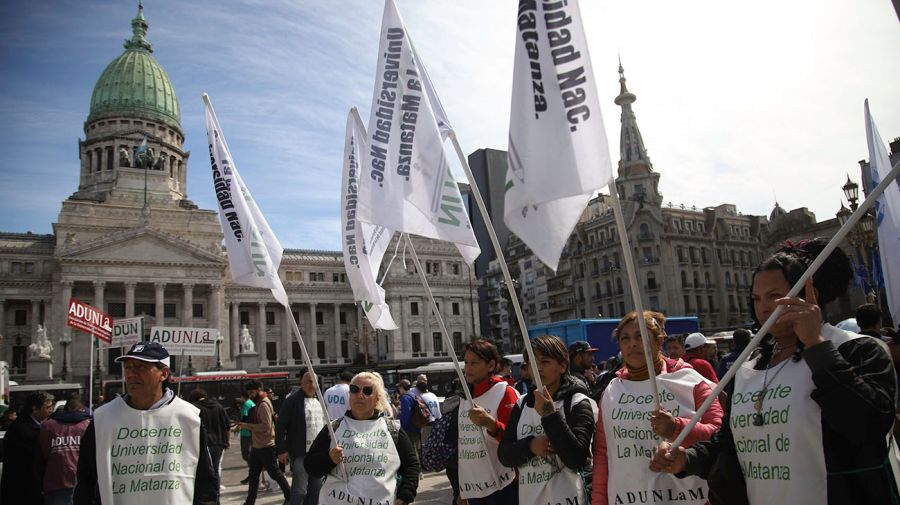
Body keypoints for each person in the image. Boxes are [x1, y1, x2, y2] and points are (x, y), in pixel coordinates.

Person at [650, 239, 899, 504]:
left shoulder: (857, 349)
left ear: (806, 292)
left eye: (774, 296)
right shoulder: (749, 366)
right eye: (757, 299)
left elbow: (867, 426)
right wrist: (686, 459)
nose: (764, 308)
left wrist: (815, 345)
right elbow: (728, 442)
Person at [593, 311, 723, 505]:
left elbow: (719, 436)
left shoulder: (691, 381)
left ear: (658, 341)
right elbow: (603, 454)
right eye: (625, 338)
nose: (632, 344)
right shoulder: (611, 391)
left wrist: (676, 428)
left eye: (641, 336)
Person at [73, 341, 218, 505]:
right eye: (128, 367)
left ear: (163, 374)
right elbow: (86, 480)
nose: (131, 374)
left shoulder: (188, 417)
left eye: (141, 367)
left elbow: (206, 482)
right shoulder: (103, 419)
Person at [499, 335, 597, 505]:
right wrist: (530, 446)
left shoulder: (578, 402)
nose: (538, 369)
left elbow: (576, 458)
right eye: (532, 363)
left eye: (545, 362)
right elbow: (504, 455)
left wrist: (550, 415)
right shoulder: (522, 404)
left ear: (562, 366)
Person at [305, 371, 420, 505]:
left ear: (377, 397)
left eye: (367, 391)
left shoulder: (392, 429)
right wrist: (329, 459)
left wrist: (404, 497)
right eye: (355, 390)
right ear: (349, 395)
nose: (360, 395)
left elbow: (411, 465)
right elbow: (310, 466)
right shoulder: (333, 429)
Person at [452, 339, 519, 504]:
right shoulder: (464, 397)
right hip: (475, 488)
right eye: (466, 362)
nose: (467, 368)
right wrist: (463, 489)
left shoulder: (506, 392)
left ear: (490, 366)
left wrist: (491, 424)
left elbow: (516, 440)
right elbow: (464, 447)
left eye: (474, 363)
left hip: (504, 484)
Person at [276, 371, 327, 505]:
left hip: (318, 454)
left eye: (314, 382)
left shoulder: (320, 400)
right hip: (300, 454)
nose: (312, 385)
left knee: (316, 489)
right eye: (308, 381)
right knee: (299, 490)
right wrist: (281, 449)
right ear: (301, 383)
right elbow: (280, 425)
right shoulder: (292, 401)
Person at [239, 380, 291, 505]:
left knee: (275, 474)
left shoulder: (263, 404)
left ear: (258, 390)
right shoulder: (259, 402)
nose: (250, 395)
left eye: (252, 392)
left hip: (266, 446)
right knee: (253, 475)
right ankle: (249, 502)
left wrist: (248, 426)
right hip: (258, 446)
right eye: (249, 393)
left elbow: (266, 427)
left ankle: (290, 496)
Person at [1, 390, 54, 504]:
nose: (51, 410)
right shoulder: (23, 430)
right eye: (47, 407)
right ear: (35, 408)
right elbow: (32, 464)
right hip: (24, 491)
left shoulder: (33, 426)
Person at [37, 395, 91, 505]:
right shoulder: (87, 425)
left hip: (55, 479)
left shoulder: (47, 425)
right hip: (80, 478)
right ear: (81, 409)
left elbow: (45, 452)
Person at [189, 388, 231, 482]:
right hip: (219, 443)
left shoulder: (194, 408)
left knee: (203, 470)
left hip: (203, 444)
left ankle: (206, 493)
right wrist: (228, 441)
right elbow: (227, 426)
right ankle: (216, 493)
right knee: (215, 469)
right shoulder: (218, 406)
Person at [397, 379, 422, 460]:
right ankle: (418, 469)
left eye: (399, 387)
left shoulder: (405, 398)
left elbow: (406, 414)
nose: (399, 390)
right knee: (415, 449)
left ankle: (417, 471)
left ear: (402, 387)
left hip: (409, 429)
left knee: (411, 450)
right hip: (416, 426)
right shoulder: (413, 395)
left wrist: (402, 427)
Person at [416, 378, 442, 452]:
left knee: (427, 447)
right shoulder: (432, 395)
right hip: (438, 422)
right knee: (436, 445)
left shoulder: (420, 397)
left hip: (428, 424)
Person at [237, 391, 256, 485]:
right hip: (251, 431)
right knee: (251, 453)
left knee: (246, 454)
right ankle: (253, 472)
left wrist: (238, 427)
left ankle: (253, 471)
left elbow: (244, 417)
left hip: (246, 432)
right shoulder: (252, 403)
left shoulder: (246, 404)